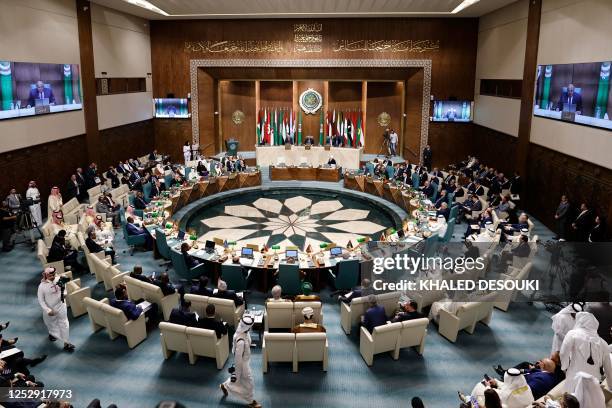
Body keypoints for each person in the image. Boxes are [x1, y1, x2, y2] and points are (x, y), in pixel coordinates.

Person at [559, 311, 612, 394]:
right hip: (594, 381)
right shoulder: (603, 343)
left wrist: (564, 367)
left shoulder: (572, 334)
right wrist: (611, 386)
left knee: (572, 402)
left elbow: (563, 353)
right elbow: (609, 369)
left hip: (574, 377)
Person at [220, 315, 261, 408]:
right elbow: (238, 359)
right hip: (243, 364)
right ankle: (251, 401)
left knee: (242, 381)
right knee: (249, 382)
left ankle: (224, 385)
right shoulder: (241, 341)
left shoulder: (242, 329)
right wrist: (237, 374)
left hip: (246, 360)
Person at [37, 268, 74, 351]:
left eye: (53, 275)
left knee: (64, 323)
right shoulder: (42, 286)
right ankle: (52, 334)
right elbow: (41, 300)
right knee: (51, 324)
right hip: (50, 308)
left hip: (61, 305)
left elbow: (64, 288)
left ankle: (66, 343)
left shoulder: (59, 280)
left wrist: (64, 293)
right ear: (46, 275)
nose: (52, 277)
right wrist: (47, 310)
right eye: (50, 275)